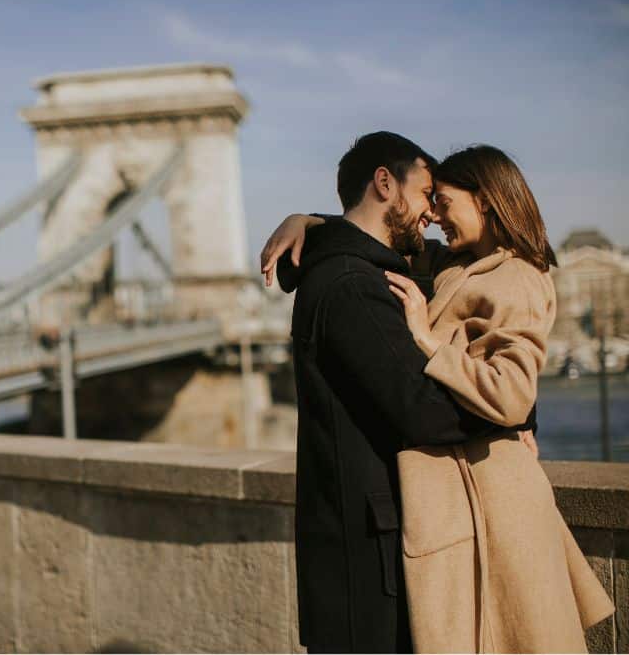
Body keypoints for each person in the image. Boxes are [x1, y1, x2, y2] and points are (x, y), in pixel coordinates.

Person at [262, 143, 614, 652]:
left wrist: (510, 406)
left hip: (480, 511)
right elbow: (421, 411)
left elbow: (506, 385)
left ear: (487, 202)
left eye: (441, 200)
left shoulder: (492, 272)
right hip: (400, 534)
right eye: (429, 195)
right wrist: (510, 417)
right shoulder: (364, 283)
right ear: (386, 184)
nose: (431, 213)